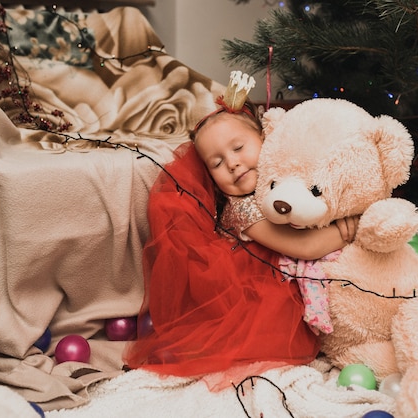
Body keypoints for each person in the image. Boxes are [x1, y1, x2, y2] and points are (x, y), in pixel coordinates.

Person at [123, 72, 356, 389]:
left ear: (265, 140)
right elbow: (303, 247)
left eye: (238, 147)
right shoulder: (242, 208)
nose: (232, 163)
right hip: (261, 279)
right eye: (217, 163)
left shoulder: (285, 178)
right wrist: (348, 229)